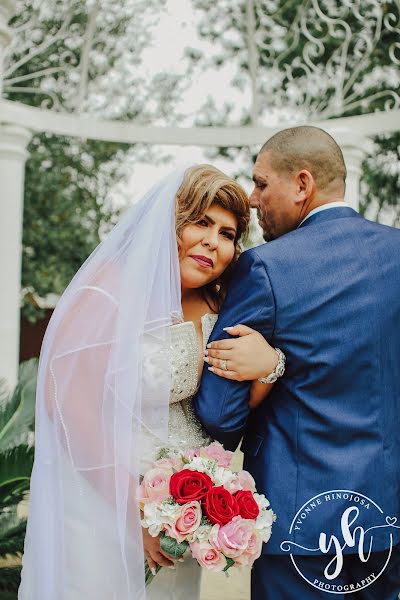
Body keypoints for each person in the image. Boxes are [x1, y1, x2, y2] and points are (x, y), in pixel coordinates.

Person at [19, 164, 280, 600]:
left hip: (183, 514)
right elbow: (68, 407)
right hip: (104, 500)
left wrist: (269, 364)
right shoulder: (107, 293)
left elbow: (228, 404)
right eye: (201, 222)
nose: (213, 242)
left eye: (228, 234)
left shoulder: (220, 304)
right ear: (170, 221)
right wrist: (134, 512)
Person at [194, 127, 400, 599]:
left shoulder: (265, 267)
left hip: (302, 525)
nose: (251, 198)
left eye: (262, 184)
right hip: (388, 521)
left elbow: (219, 412)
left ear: (302, 185)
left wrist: (272, 371)